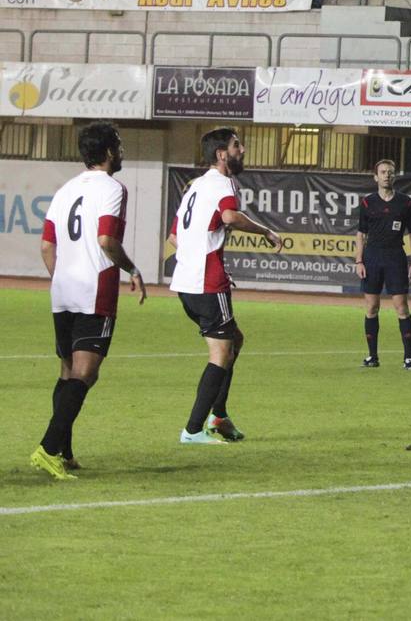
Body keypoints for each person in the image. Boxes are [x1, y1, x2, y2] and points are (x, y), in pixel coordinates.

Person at [31, 122, 146, 480]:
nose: (122, 151)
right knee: (86, 373)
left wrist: (63, 277)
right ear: (109, 152)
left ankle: (63, 453)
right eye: (120, 145)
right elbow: (106, 241)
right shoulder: (113, 188)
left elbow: (47, 247)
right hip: (94, 290)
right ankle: (48, 448)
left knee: (67, 371)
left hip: (63, 290)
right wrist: (132, 268)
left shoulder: (65, 189)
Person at [168, 128, 282, 445]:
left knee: (234, 341)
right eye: (236, 145)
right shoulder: (223, 182)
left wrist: (198, 262)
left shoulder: (195, 186)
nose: (242, 149)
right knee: (221, 352)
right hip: (206, 281)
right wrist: (267, 232)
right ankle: (193, 430)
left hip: (186, 283)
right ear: (222, 154)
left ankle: (218, 416)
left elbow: (174, 236)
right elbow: (230, 216)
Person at [354, 159, 411, 370]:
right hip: (372, 257)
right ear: (376, 177)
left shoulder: (405, 203)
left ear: (394, 176)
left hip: (395, 257)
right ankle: (372, 357)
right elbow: (360, 235)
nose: (387, 175)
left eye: (390, 172)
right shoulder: (367, 203)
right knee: (372, 307)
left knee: (401, 307)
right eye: (383, 172)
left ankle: (408, 357)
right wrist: (359, 260)